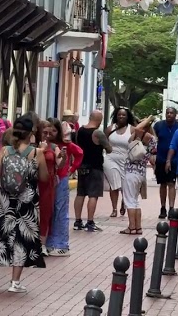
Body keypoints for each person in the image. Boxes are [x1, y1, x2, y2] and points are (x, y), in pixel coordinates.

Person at [0, 114, 48, 293]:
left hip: (6, 200)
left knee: (2, 237)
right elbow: (44, 178)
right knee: (22, 239)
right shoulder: (36, 153)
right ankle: (15, 282)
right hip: (28, 201)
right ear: (31, 132)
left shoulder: (4, 151)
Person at [46, 120, 82, 256]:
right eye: (48, 131)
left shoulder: (65, 145)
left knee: (60, 211)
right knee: (48, 211)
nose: (51, 134)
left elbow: (79, 153)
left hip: (61, 179)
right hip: (47, 180)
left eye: (54, 131)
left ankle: (62, 244)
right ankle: (49, 242)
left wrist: (72, 169)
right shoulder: (45, 144)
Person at [73, 110, 111, 232]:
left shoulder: (80, 131)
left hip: (81, 166)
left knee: (80, 193)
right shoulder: (97, 133)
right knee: (93, 195)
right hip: (95, 167)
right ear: (100, 120)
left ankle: (77, 221)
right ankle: (90, 221)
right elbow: (109, 149)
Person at [121, 115, 157, 234]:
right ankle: (138, 227)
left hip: (131, 171)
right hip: (141, 172)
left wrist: (148, 119)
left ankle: (131, 227)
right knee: (135, 201)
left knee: (130, 201)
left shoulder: (138, 135)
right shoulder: (152, 140)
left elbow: (137, 129)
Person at [103, 108, 135, 218]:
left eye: (124, 115)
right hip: (110, 159)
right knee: (114, 185)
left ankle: (124, 202)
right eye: (119, 115)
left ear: (127, 117)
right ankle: (114, 209)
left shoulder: (132, 129)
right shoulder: (110, 129)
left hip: (125, 160)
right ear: (116, 116)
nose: (121, 117)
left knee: (125, 185)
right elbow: (103, 142)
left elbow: (137, 144)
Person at [37, 119, 64, 243]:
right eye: (45, 133)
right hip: (34, 183)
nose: (47, 136)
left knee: (46, 212)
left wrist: (63, 157)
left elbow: (60, 164)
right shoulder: (33, 145)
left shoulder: (53, 147)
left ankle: (42, 243)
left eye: (50, 133)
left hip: (48, 184)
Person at [153, 107, 178, 218]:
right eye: (167, 113)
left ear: (175, 114)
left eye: (171, 113)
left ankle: (171, 208)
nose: (169, 115)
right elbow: (153, 141)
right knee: (162, 184)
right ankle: (163, 207)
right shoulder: (158, 126)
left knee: (171, 183)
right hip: (160, 159)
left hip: (174, 159)